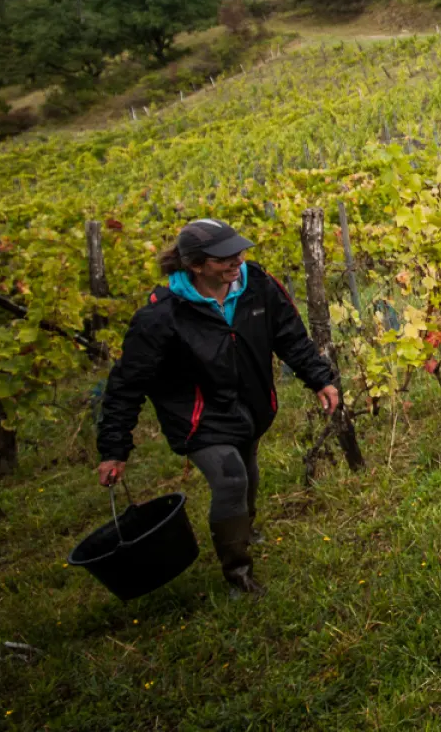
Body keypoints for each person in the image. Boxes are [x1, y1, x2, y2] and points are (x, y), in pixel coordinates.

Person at [96, 219, 341, 596]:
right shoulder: (162, 317)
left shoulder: (256, 285)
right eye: (225, 258)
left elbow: (288, 333)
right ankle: (238, 574)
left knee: (248, 468)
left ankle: (244, 529)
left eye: (239, 252)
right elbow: (127, 384)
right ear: (195, 265)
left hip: (252, 405)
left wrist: (319, 378)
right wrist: (114, 450)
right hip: (198, 419)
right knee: (230, 478)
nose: (237, 262)